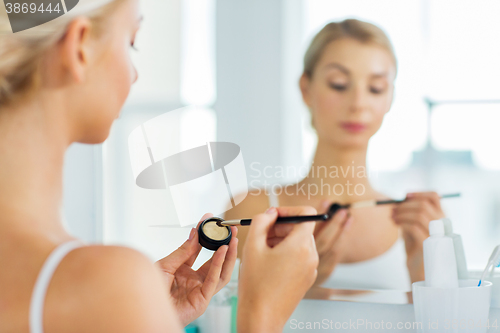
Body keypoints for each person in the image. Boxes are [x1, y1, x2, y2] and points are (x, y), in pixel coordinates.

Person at [0, 0, 319, 332]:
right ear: (80, 48)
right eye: (131, 42)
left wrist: (152, 316)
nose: (135, 73)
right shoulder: (105, 285)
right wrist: (262, 314)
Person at [225, 19, 445, 291]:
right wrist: (298, 283)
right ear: (306, 89)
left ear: (389, 98)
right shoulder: (252, 212)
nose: (358, 103)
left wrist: (425, 276)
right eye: (339, 84)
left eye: (375, 88)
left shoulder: (416, 224)